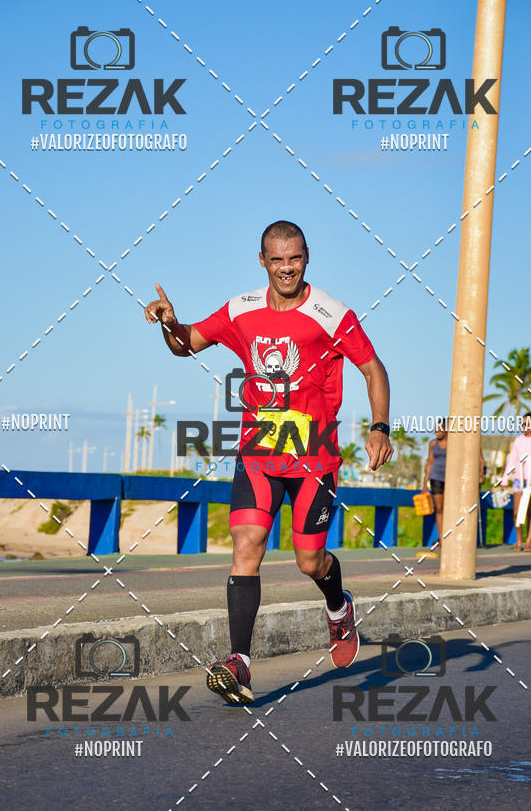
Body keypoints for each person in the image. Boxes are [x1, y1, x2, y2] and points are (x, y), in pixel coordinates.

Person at [144, 220, 393, 705]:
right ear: (263, 261)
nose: (286, 268)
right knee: (247, 543)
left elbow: (372, 368)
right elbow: (187, 344)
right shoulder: (242, 309)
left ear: (306, 258)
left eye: (294, 259)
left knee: (309, 560)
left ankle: (339, 607)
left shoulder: (331, 314)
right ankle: (239, 663)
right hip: (258, 450)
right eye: (277, 260)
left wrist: (380, 426)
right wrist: (170, 324)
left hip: (313, 455)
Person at [423, 418, 485, 546]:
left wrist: (479, 475)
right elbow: (430, 462)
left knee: (452, 509)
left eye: (440, 429)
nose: (437, 432)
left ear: (447, 430)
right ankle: (441, 539)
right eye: (436, 429)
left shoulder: (455, 443)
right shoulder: (433, 444)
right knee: (439, 509)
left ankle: (452, 537)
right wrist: (425, 483)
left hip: (452, 479)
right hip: (436, 478)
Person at [500, 412, 531, 552]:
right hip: (518, 480)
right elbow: (513, 460)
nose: (524, 426)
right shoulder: (518, 440)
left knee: (530, 511)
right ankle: (519, 540)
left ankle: (528, 542)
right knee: (516, 511)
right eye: (522, 424)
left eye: (527, 424)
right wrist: (505, 478)